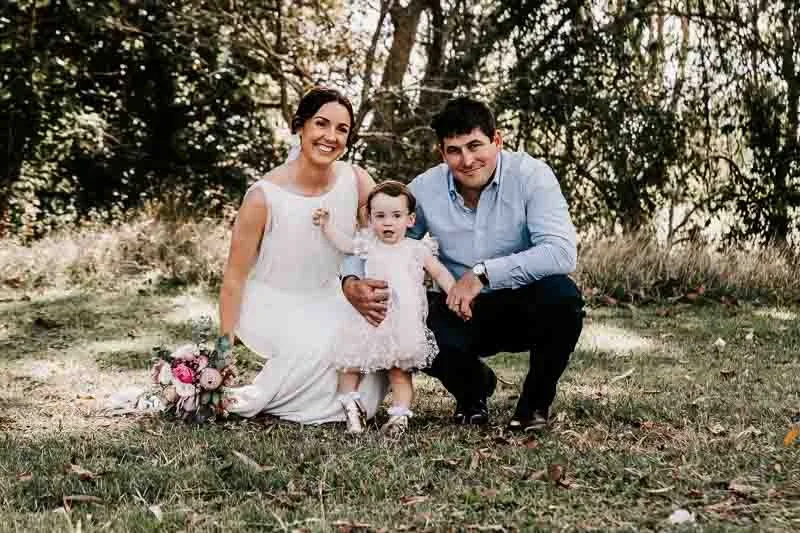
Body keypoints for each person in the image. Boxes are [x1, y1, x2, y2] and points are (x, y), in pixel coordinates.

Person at [341, 96, 584, 431]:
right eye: (454, 150)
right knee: (405, 314)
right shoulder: (424, 190)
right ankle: (474, 389)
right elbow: (377, 238)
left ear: (496, 141)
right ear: (442, 153)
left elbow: (560, 252)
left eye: (475, 145)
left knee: (564, 297)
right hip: (458, 308)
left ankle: (533, 406)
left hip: (524, 304)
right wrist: (350, 281)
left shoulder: (532, 176)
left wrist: (483, 274)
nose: (467, 160)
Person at [218, 87, 387, 424]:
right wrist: (222, 353)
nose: (330, 137)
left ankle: (341, 403)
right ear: (300, 126)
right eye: (321, 124)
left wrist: (362, 284)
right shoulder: (263, 196)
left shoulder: (356, 179)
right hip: (273, 302)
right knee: (329, 347)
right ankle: (276, 396)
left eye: (341, 129)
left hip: (331, 297)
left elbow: (384, 238)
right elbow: (234, 279)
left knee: (372, 352)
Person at [312, 181, 456, 435]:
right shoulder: (368, 243)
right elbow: (343, 244)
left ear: (410, 220)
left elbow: (441, 273)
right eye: (380, 216)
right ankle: (352, 409)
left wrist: (455, 294)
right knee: (349, 365)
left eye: (396, 216)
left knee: (399, 373)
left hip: (403, 323)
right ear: (370, 218)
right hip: (370, 319)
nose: (388, 223)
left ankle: (400, 417)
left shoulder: (417, 249)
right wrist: (327, 226)